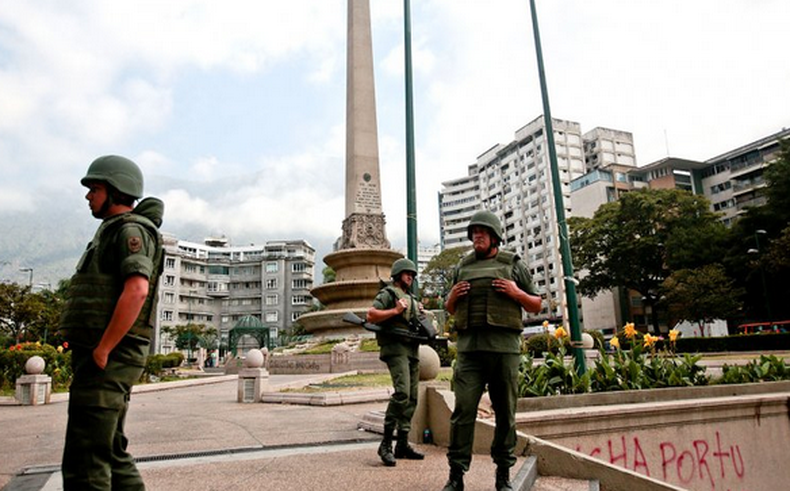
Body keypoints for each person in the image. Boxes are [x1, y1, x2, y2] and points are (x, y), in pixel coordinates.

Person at [59, 155, 165, 491]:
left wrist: (104, 349)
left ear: (116, 190)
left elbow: (136, 290)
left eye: (95, 188)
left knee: (86, 457)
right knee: (110, 451)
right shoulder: (115, 230)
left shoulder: (130, 231)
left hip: (110, 355)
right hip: (107, 354)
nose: (88, 195)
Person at [441, 210, 542, 491]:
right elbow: (449, 309)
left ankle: (503, 475)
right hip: (469, 352)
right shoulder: (462, 266)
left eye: (482, 232)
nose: (477, 236)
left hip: (504, 351)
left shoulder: (513, 264)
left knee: (505, 413)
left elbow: (536, 304)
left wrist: (515, 292)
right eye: (474, 233)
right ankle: (456, 475)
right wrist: (451, 297)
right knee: (462, 412)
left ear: (495, 236)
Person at [367, 258, 426, 467]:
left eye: (413, 274)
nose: (410, 277)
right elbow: (371, 315)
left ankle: (402, 443)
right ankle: (385, 444)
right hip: (396, 349)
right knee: (401, 393)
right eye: (407, 273)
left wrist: (419, 313)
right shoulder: (388, 294)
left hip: (411, 349)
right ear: (398, 274)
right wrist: (395, 311)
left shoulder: (410, 297)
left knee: (412, 397)